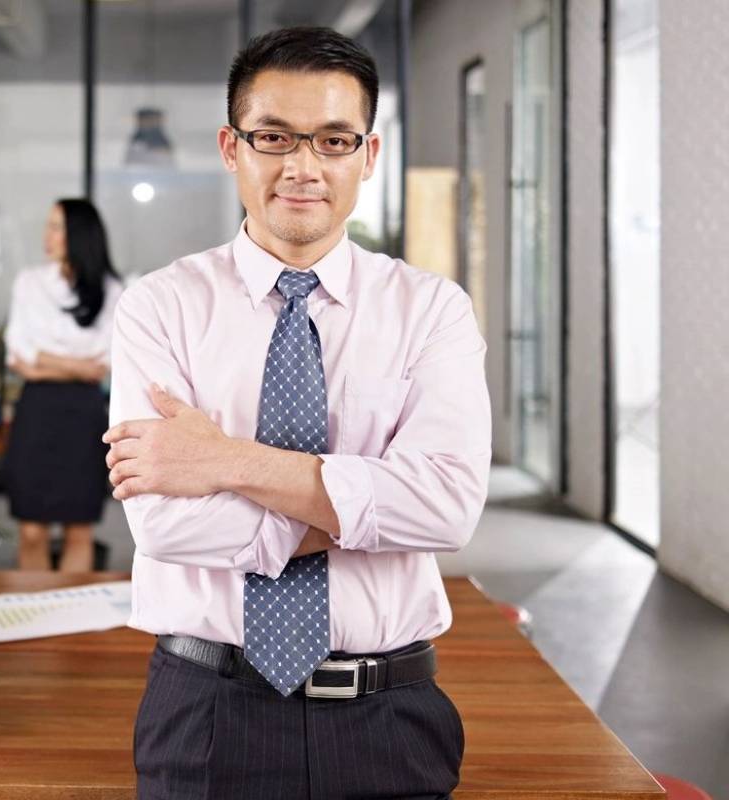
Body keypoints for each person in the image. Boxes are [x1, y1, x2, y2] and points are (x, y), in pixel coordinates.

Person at [104, 27, 490, 799]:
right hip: (207, 710)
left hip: (390, 714)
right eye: (274, 137)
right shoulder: (161, 306)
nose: (303, 167)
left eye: (335, 140)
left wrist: (225, 463)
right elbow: (165, 525)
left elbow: (445, 509)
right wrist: (363, 511)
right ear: (232, 147)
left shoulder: (431, 311)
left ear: (368, 156)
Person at [4, 199, 123, 571]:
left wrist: (46, 360)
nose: (48, 235)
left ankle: (71, 625)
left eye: (57, 226)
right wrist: (75, 365)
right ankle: (34, 622)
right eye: (48, 225)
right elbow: (19, 358)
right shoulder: (29, 282)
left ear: (80, 235)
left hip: (85, 414)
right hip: (37, 410)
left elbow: (104, 365)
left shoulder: (113, 290)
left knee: (79, 529)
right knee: (32, 530)